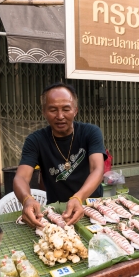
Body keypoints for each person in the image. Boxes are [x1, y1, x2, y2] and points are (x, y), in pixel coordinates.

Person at [13, 82, 107, 228]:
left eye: (66, 109)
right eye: (52, 110)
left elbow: (97, 169)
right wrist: (27, 199)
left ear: (75, 110)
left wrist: (78, 197)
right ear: (44, 111)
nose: (60, 116)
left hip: (91, 206)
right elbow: (21, 177)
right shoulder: (35, 140)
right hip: (57, 213)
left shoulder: (90, 132)